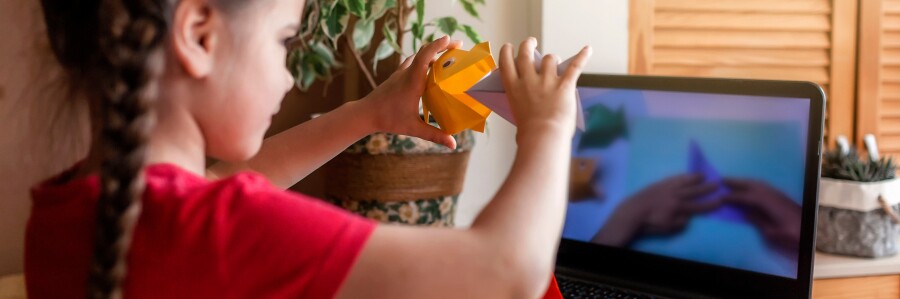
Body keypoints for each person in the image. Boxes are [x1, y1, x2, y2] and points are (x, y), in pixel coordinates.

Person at [27, 0, 592, 298]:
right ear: (199, 34)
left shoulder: (69, 213)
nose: (289, 77)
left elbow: (217, 191)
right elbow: (506, 273)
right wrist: (548, 127)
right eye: (283, 42)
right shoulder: (221, 234)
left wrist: (368, 114)